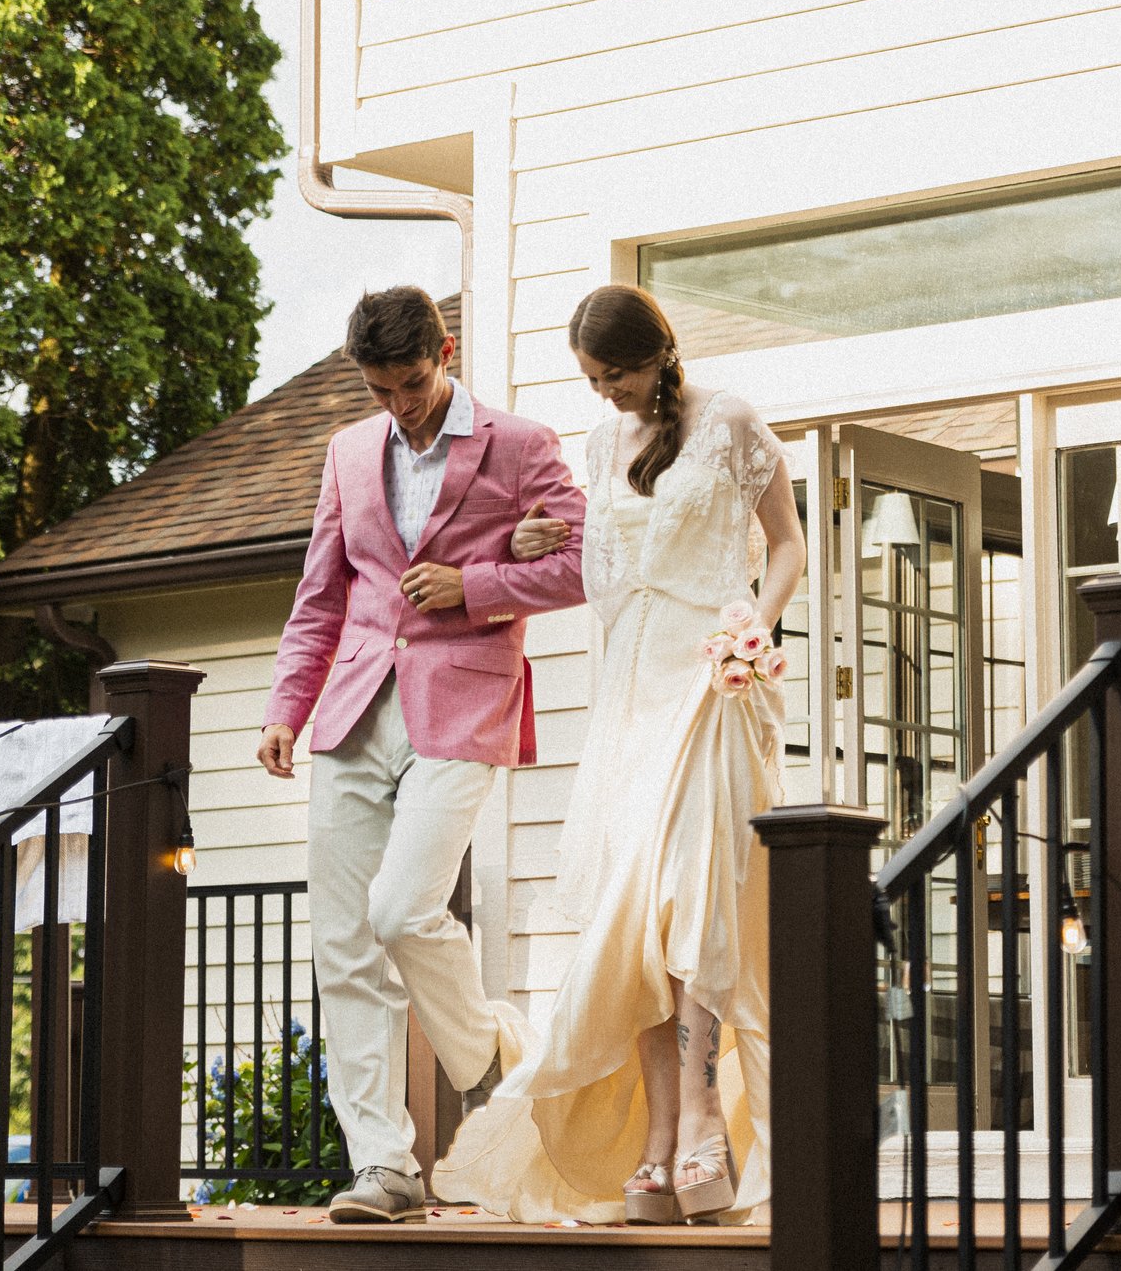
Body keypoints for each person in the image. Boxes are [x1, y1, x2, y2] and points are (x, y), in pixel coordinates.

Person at [434, 284, 805, 1226]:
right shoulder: (602, 445)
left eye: (619, 374)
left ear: (657, 355)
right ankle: (656, 1135)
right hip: (629, 694)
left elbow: (789, 543)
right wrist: (535, 537)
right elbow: (602, 564)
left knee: (690, 903)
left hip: (710, 685)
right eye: (594, 380)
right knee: (632, 921)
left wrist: (753, 629)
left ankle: (700, 1131)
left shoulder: (729, 423)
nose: (607, 394)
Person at [255, 287, 586, 1224]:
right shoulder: (348, 452)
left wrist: (475, 583)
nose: (399, 405)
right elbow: (321, 592)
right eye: (380, 389)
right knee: (344, 945)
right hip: (354, 707)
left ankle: (491, 1059)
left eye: (412, 382)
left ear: (444, 352)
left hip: (464, 699)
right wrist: (289, 705)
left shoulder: (521, 445)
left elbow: (585, 559)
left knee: (403, 910)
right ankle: (384, 1166)